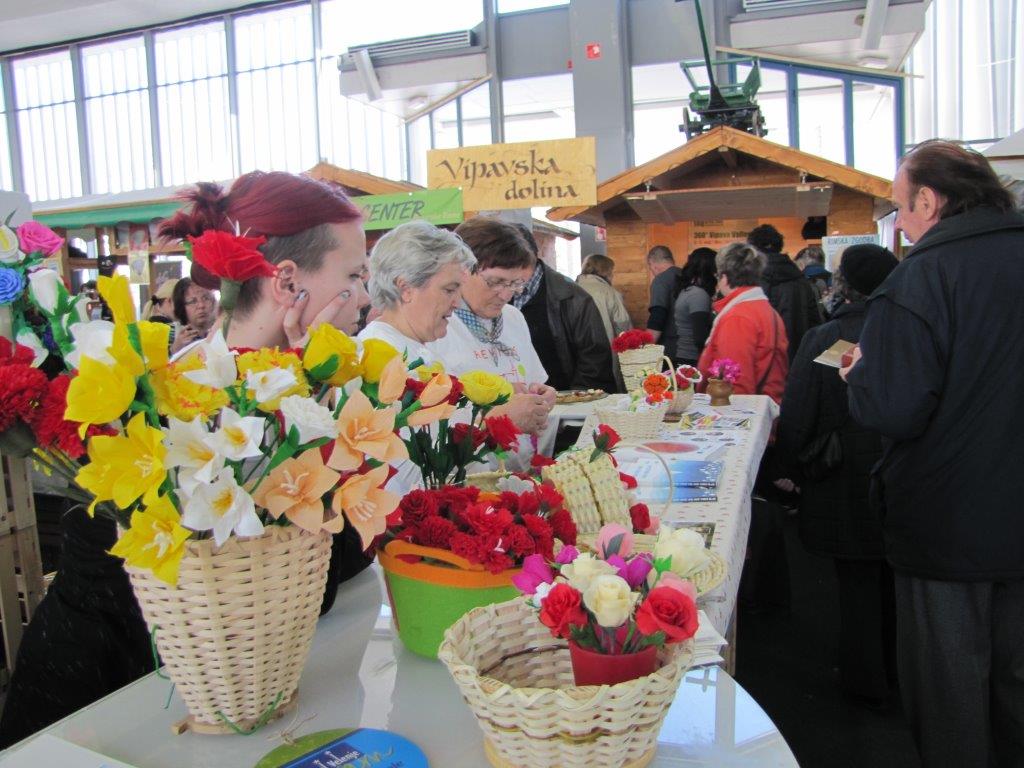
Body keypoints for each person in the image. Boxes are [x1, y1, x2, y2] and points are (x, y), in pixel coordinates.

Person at [841, 140, 1024, 768]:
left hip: (949, 522)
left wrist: (862, 376)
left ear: (928, 199)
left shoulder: (921, 277)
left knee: (951, 695)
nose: (899, 225)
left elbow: (894, 409)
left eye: (899, 208)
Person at [160, 171, 374, 606]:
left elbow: (346, 557)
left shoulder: (314, 377)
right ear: (287, 282)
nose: (365, 298)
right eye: (354, 275)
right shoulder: (184, 398)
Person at [777, 244, 899, 708]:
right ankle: (901, 673)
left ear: (844, 284)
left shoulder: (829, 338)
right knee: (897, 580)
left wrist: (789, 470)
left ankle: (865, 683)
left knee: (856, 585)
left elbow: (799, 411)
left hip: (842, 475)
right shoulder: (912, 331)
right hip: (903, 474)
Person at [426, 217, 554, 439]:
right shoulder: (436, 327)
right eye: (495, 282)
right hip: (470, 456)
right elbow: (432, 421)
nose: (505, 295)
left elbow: (533, 380)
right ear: (462, 271)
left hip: (519, 455)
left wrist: (541, 395)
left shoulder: (513, 317)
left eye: (515, 284)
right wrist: (498, 415)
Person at [511, 226, 616, 393]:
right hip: (516, 400)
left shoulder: (574, 297)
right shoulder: (497, 294)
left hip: (565, 398)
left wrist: (575, 398)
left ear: (529, 258)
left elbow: (594, 358)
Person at [697, 242, 788, 404]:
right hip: (766, 404)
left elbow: (735, 381)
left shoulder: (738, 317)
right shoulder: (766, 310)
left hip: (741, 410)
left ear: (725, 277)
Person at [748, 224, 821, 362]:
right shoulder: (801, 280)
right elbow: (814, 320)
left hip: (764, 358)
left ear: (754, 249)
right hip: (798, 355)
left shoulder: (753, 280)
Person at [672, 247, 717, 365]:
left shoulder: (688, 290)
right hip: (694, 359)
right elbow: (700, 338)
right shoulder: (698, 295)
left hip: (685, 356)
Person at [576, 253, 632, 342]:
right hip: (604, 346)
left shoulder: (571, 289)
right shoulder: (610, 292)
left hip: (575, 347)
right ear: (606, 271)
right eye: (611, 271)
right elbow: (622, 323)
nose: (613, 275)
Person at [644, 245, 681, 362]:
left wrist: (646, 348)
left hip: (669, 348)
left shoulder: (660, 280)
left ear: (652, 263)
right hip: (690, 347)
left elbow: (658, 315)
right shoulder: (686, 276)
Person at [169, 277, 216, 354]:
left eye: (206, 298)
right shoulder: (171, 332)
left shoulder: (223, 330)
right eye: (193, 301)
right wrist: (175, 350)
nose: (201, 305)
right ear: (181, 307)